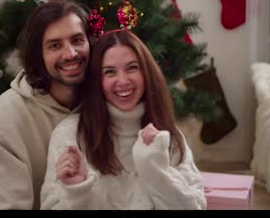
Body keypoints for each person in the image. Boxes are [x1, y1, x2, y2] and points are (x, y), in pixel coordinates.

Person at [40, 29, 207, 210]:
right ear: (97, 81)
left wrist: (154, 169)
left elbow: (195, 206)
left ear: (146, 73)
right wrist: (77, 191)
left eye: (132, 68)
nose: (123, 80)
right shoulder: (70, 134)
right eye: (110, 72)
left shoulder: (165, 135)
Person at [0, 0, 92, 209]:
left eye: (77, 40)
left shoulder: (107, 102)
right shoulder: (4, 117)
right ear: (38, 55)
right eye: (55, 45)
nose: (70, 54)